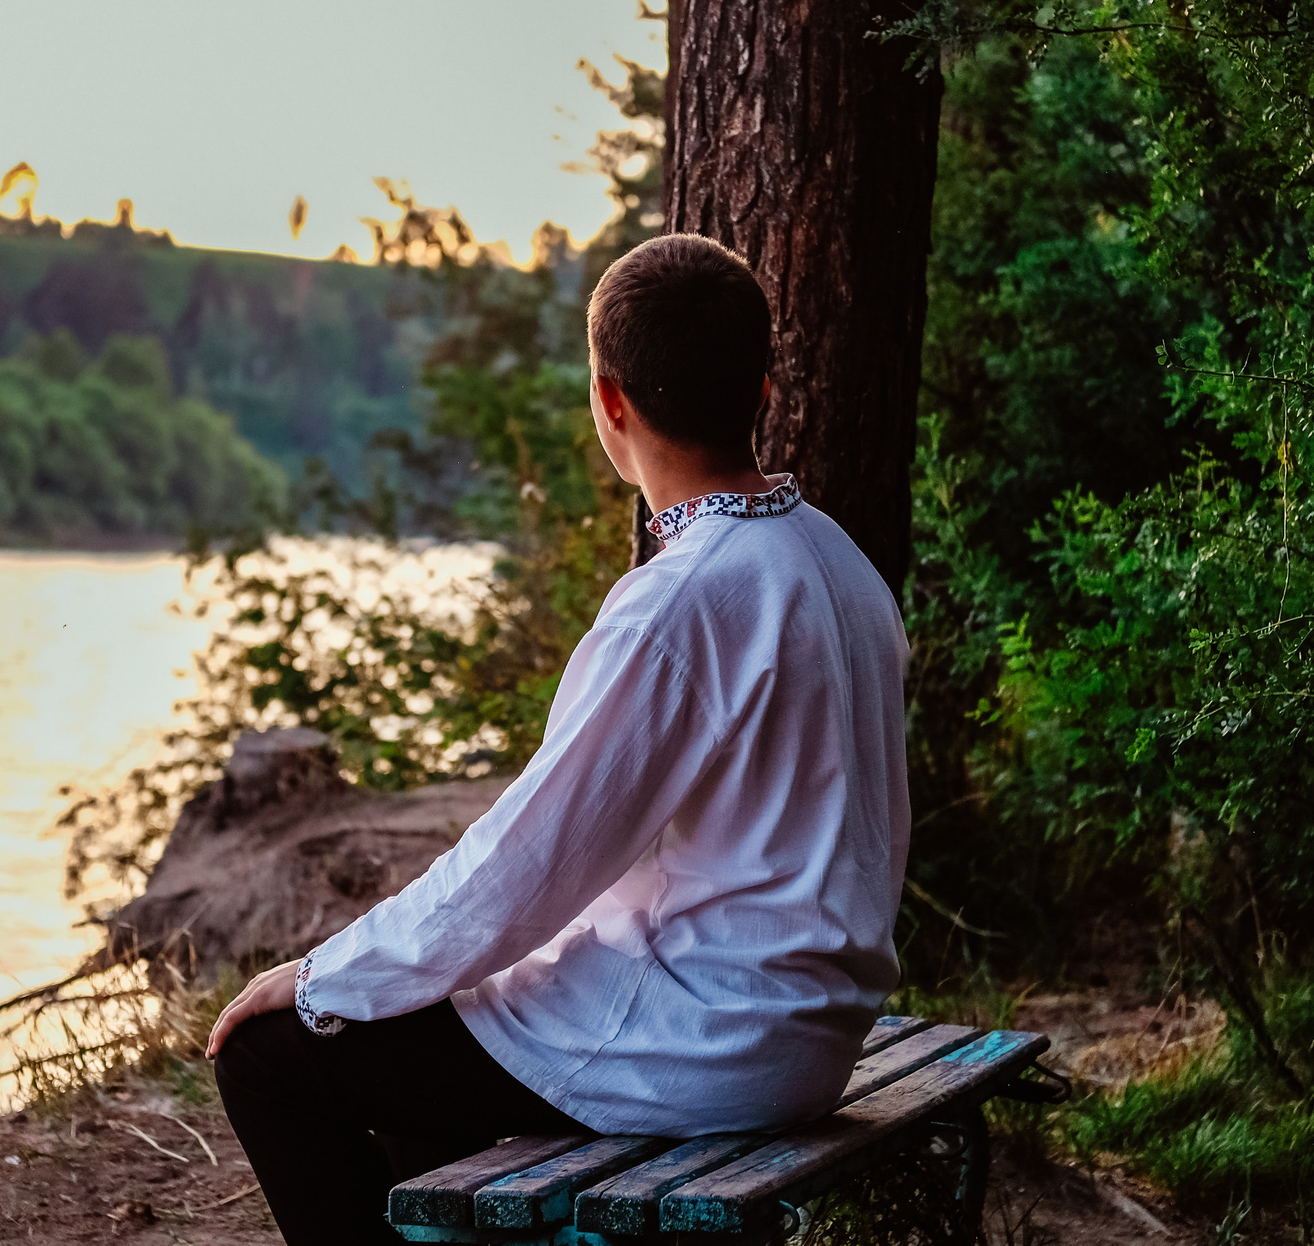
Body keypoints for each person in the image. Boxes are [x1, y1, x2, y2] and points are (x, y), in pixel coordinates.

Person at [203, 233, 909, 1245]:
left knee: (270, 1058)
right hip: (807, 1033)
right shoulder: (835, 560)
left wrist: (319, 980)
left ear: (609, 403)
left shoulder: (680, 604)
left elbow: (525, 869)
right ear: (760, 387)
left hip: (705, 1041)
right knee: (430, 1048)